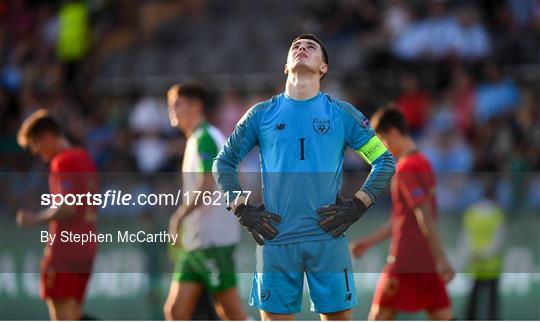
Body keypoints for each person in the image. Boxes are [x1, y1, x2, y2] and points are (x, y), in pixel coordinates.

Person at [213, 34, 396, 320]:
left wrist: (358, 205)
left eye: (311, 47)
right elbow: (223, 163)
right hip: (275, 241)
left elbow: (384, 161)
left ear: (324, 68)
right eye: (296, 47)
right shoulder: (260, 114)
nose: (302, 48)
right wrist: (240, 208)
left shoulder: (342, 114)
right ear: (286, 66)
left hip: (328, 239)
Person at [350, 107, 455, 320]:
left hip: (405, 260)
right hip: (426, 261)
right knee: (443, 316)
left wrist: (442, 258)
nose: (383, 148)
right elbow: (402, 219)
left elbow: (422, 214)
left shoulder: (406, 168)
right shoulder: (424, 163)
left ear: (393, 133)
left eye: (383, 140)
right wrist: (369, 242)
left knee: (378, 315)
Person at [163, 82, 247, 320]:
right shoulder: (197, 139)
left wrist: (179, 216)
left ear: (196, 105)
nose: (172, 111)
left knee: (230, 312)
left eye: (176, 104)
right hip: (196, 242)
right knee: (175, 311)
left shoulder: (206, 138)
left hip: (213, 240)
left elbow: (207, 184)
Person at [16, 109, 98, 320]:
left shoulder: (62, 162)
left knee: (62, 315)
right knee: (74, 311)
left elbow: (67, 207)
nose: (35, 151)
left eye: (34, 143)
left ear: (47, 136)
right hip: (87, 245)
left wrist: (34, 219)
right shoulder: (85, 158)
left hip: (65, 249)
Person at [463, 182, 505, 320]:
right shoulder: (497, 214)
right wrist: (485, 255)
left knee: (473, 300)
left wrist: (474, 254)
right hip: (492, 265)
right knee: (492, 303)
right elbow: (498, 241)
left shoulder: (471, 213)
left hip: (475, 263)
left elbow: (466, 236)